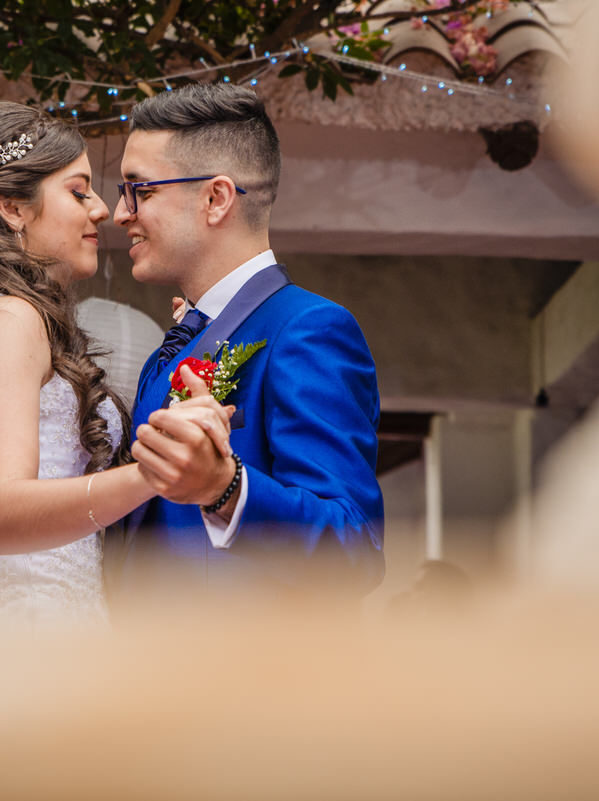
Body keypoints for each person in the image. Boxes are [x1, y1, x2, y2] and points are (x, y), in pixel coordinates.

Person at [0, 100, 231, 630]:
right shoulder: (9, 319)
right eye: (79, 190)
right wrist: (161, 473)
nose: (103, 209)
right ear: (12, 208)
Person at [111, 83, 385, 605]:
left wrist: (226, 487)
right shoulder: (171, 348)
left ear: (215, 199)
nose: (121, 212)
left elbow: (355, 551)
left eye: (139, 190)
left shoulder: (308, 329)